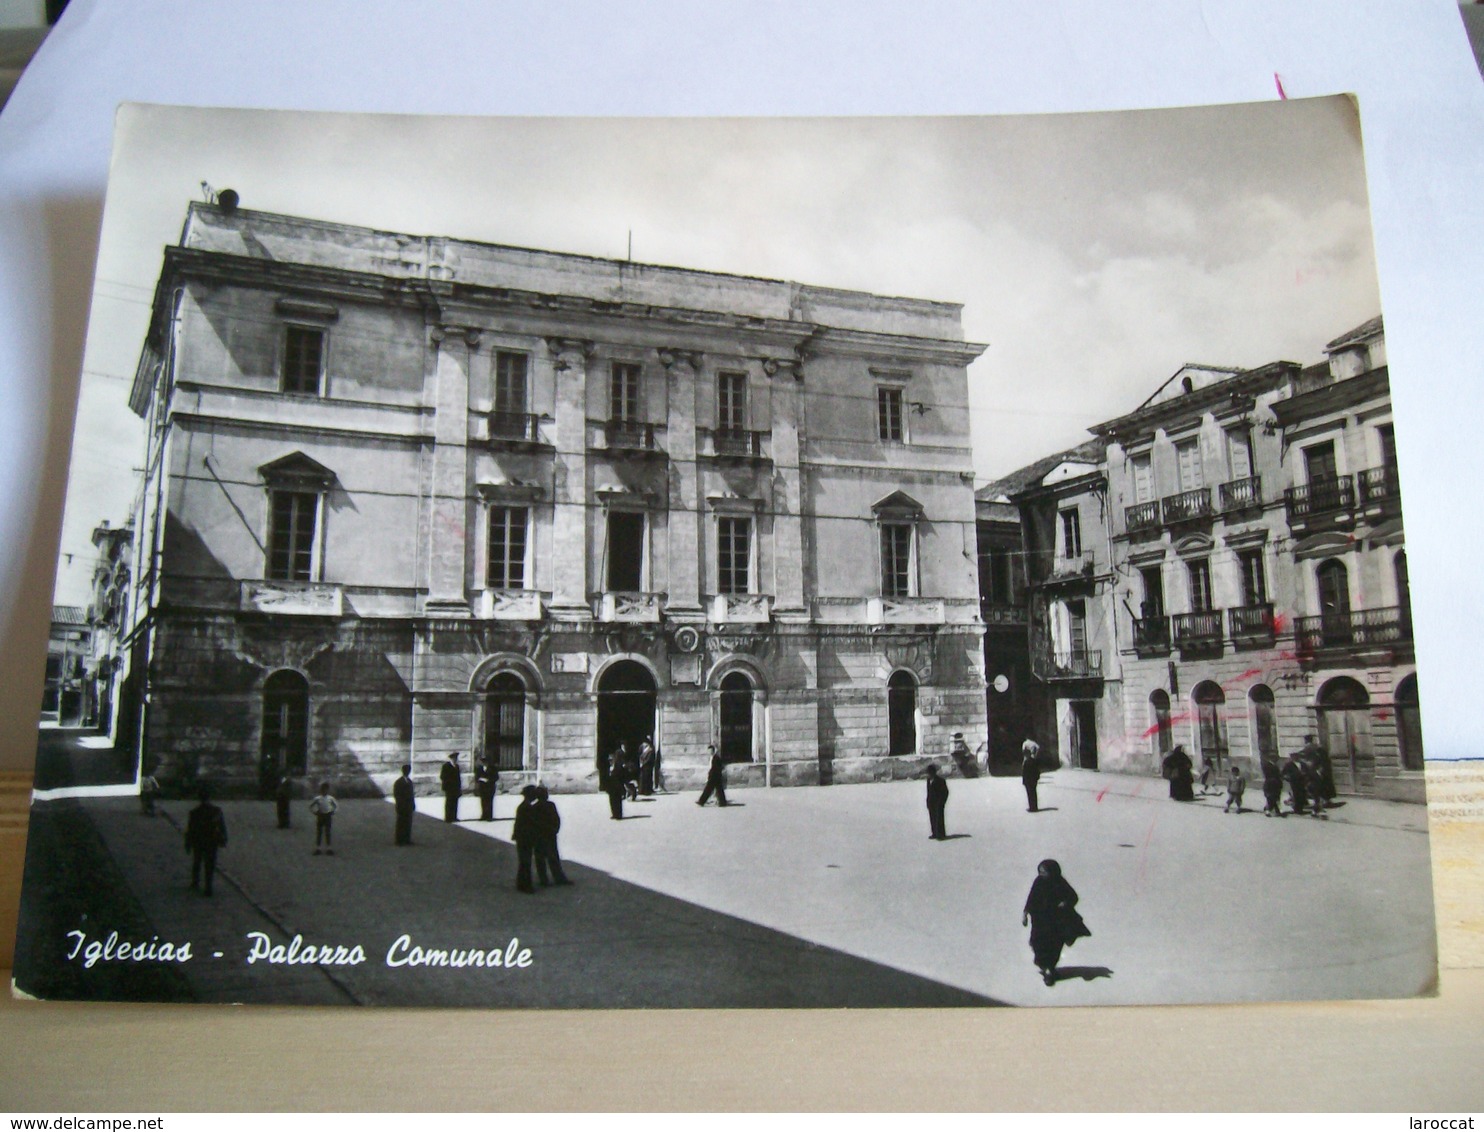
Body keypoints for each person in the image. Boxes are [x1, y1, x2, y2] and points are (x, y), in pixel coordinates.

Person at [1021, 858, 1091, 986]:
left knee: (1053, 946)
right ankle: (1046, 966)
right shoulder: (1038, 882)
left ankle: (1050, 971)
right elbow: (1031, 898)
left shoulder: (1060, 883)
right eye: (1040, 872)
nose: (1041, 875)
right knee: (1037, 944)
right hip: (1039, 921)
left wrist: (1065, 903)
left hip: (1055, 922)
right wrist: (1025, 913)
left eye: (1044, 872)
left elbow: (1073, 897)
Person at [184, 787, 228, 896]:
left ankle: (196, 881)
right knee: (210, 864)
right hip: (212, 840)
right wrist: (223, 838)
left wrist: (188, 843)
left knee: (197, 861)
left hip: (198, 840)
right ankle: (208, 886)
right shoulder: (216, 811)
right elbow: (222, 826)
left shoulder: (194, 812)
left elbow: (190, 829)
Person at [533, 785, 571, 886]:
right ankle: (558, 877)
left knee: (541, 859)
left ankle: (543, 879)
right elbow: (556, 819)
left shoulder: (535, 807)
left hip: (542, 835)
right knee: (552, 857)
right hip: (548, 834)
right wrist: (555, 829)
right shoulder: (550, 805)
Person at [512, 785, 539, 894]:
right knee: (525, 862)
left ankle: (521, 883)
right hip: (525, 838)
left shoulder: (523, 806)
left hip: (522, 837)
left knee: (524, 861)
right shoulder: (527, 808)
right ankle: (525, 885)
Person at [309, 781, 337, 854]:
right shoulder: (318, 798)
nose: (324, 791)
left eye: (326, 790)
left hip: (327, 815)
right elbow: (311, 806)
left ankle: (329, 848)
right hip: (320, 815)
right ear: (321, 790)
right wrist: (314, 812)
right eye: (323, 790)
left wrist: (333, 811)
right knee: (319, 832)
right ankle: (318, 848)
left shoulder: (330, 798)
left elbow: (336, 806)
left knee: (327, 832)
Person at [924, 764, 949, 840]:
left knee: (939, 819)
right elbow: (928, 792)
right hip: (931, 802)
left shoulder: (941, 781)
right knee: (933, 818)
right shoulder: (928, 781)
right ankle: (934, 833)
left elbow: (945, 792)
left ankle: (941, 834)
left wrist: (942, 802)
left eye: (930, 773)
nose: (929, 774)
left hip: (939, 802)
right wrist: (927, 801)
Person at [393, 763, 415, 845]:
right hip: (402, 805)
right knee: (401, 823)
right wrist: (399, 804)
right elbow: (396, 794)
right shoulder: (398, 782)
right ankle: (399, 840)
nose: (407, 772)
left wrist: (413, 804)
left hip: (408, 806)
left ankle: (406, 839)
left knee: (408, 823)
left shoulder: (409, 782)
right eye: (406, 771)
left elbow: (412, 795)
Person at [604, 745, 627, 820]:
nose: (610, 759)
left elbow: (619, 775)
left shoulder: (619, 765)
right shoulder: (613, 764)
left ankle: (618, 814)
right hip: (613, 786)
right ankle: (614, 813)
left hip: (616, 785)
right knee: (613, 800)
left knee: (617, 800)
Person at [1020, 736, 1043, 812]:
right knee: (1034, 792)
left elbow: (1024, 773)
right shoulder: (1034, 760)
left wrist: (1024, 781)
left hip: (1028, 780)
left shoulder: (1025, 744)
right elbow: (1037, 771)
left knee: (1030, 793)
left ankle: (1032, 807)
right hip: (1034, 779)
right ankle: (1035, 806)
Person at [440, 752, 462, 823]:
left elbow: (458, 778)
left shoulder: (457, 766)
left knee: (455, 802)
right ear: (451, 759)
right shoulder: (446, 766)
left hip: (455, 788)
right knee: (449, 802)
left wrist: (459, 787)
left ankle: (454, 817)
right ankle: (448, 817)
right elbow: (442, 776)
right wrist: (449, 782)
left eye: (456, 758)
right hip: (449, 788)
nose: (455, 760)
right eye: (454, 758)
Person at [474, 757, 497, 822]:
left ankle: (489, 816)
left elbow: (496, 777)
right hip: (482, 788)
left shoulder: (493, 768)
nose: (484, 763)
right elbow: (476, 777)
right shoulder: (479, 769)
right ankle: (484, 815)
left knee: (489, 802)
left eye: (485, 762)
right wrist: (481, 779)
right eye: (483, 762)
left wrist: (489, 780)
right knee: (483, 802)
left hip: (490, 787)